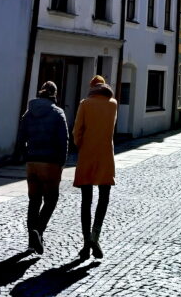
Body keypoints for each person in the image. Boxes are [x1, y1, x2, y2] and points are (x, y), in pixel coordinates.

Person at [16, 80, 69, 255]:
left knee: (34, 200)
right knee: (51, 199)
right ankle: (39, 230)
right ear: (55, 94)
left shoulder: (28, 113)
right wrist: (62, 162)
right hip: (50, 162)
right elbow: (64, 141)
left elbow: (20, 136)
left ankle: (32, 240)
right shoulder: (58, 113)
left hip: (32, 161)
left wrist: (25, 155)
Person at [73, 74, 118, 261]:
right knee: (104, 197)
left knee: (86, 201)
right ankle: (95, 236)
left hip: (87, 156)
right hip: (106, 156)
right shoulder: (113, 104)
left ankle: (85, 243)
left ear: (92, 88)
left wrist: (81, 145)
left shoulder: (85, 104)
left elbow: (77, 131)